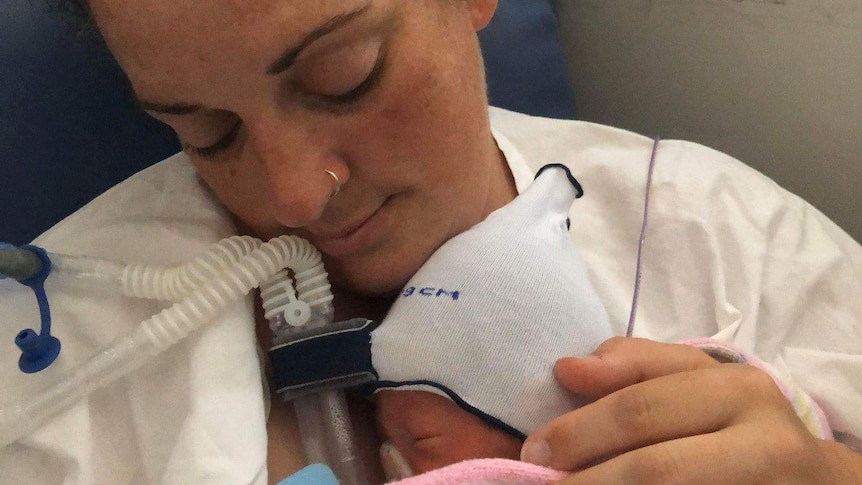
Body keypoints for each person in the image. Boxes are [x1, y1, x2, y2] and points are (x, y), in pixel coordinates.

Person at [9, 0, 862, 483]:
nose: (295, 194)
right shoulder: (54, 353)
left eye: (342, 77)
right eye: (207, 132)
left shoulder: (718, 232)